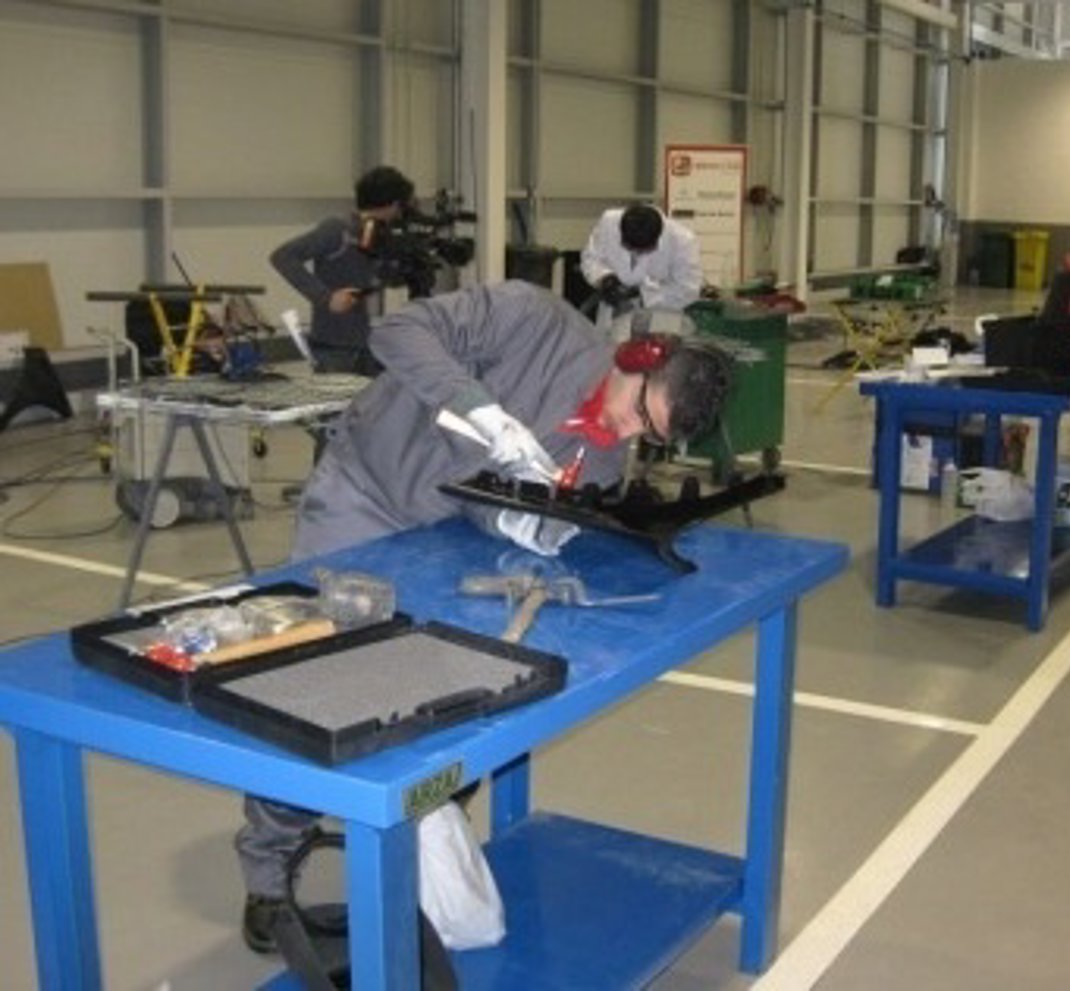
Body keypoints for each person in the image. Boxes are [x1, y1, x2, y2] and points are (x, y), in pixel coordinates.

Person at [238, 279, 733, 953]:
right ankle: (268, 874)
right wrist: (484, 411)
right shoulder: (531, 320)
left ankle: (415, 835)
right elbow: (397, 333)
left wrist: (518, 520)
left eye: (652, 435)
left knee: (448, 696)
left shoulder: (606, 451)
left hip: (446, 535)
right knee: (312, 690)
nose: (629, 434)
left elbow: (494, 498)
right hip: (366, 490)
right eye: (638, 413)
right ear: (636, 359)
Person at [270, 165, 415, 376]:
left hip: (372, 346)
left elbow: (380, 279)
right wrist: (325, 298)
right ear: (392, 205)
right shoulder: (338, 230)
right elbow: (283, 256)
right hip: (335, 349)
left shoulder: (381, 236)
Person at [580, 204, 702, 337]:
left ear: (657, 239)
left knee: (653, 355)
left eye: (642, 251)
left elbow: (688, 289)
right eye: (629, 247)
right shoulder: (609, 222)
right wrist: (605, 279)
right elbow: (591, 258)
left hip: (661, 316)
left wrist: (643, 295)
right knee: (608, 352)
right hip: (613, 313)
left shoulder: (683, 241)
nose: (635, 253)